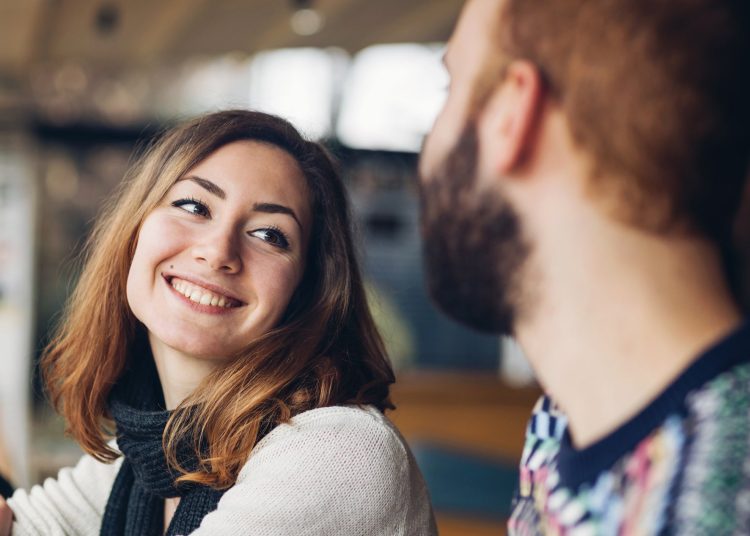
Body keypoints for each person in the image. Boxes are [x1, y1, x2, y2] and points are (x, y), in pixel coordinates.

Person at [0, 110, 436, 535]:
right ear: (134, 231)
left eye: (269, 235)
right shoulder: (146, 457)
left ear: (306, 292)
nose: (218, 251)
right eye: (194, 206)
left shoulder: (339, 453)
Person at [419, 0, 750, 534]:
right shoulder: (563, 424)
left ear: (512, 112)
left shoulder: (707, 507)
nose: (429, 145)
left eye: (450, 89)